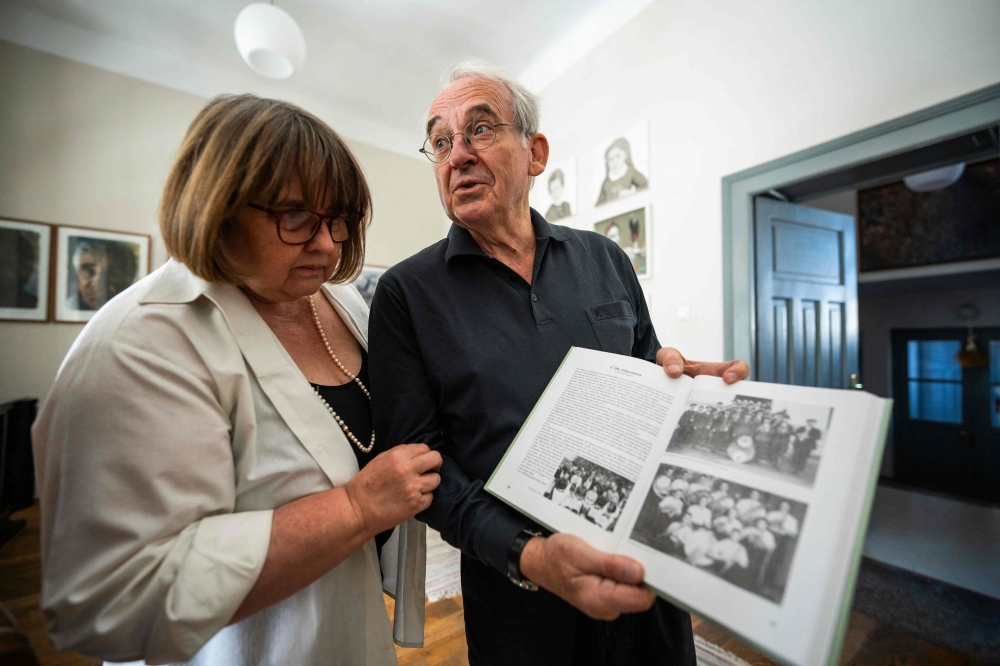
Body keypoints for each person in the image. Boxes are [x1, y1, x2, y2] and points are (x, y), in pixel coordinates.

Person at [32, 94, 442, 665]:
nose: (327, 243)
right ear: (217, 207)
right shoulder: (140, 340)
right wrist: (354, 509)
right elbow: (109, 598)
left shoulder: (345, 303)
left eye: (339, 219)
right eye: (295, 216)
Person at [368, 60, 749, 666]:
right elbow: (420, 469)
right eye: (440, 142)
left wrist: (680, 384)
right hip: (517, 593)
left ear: (535, 153)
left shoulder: (606, 257)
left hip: (644, 569)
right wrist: (528, 555)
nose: (457, 154)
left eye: (481, 130)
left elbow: (648, 360)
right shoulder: (405, 294)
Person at [595, 137, 649, 205]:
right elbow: (599, 203)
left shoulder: (631, 173)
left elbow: (645, 185)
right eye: (611, 159)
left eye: (618, 156)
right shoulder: (606, 182)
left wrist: (631, 193)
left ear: (625, 155)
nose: (615, 162)